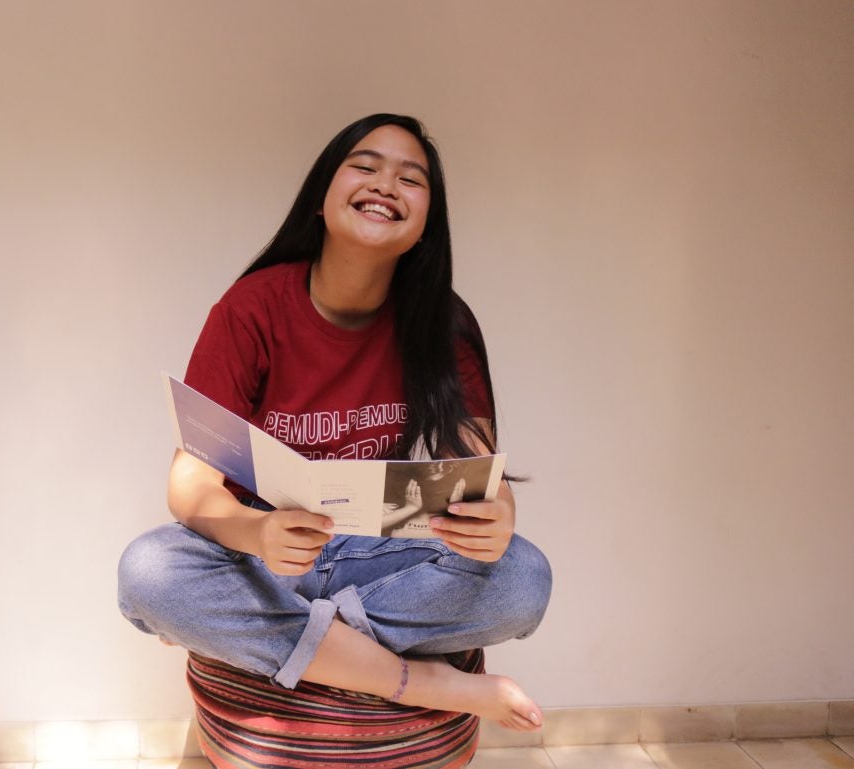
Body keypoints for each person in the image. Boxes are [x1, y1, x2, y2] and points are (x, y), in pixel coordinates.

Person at [118, 113, 553, 731]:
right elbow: (188, 485)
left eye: (412, 179)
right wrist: (256, 535)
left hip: (382, 554)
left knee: (524, 578)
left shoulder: (444, 323)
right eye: (365, 166)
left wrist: (498, 515)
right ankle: (421, 682)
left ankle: (274, 642)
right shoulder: (253, 308)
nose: (386, 185)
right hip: (269, 557)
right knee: (149, 573)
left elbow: (478, 470)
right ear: (322, 198)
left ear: (426, 224)